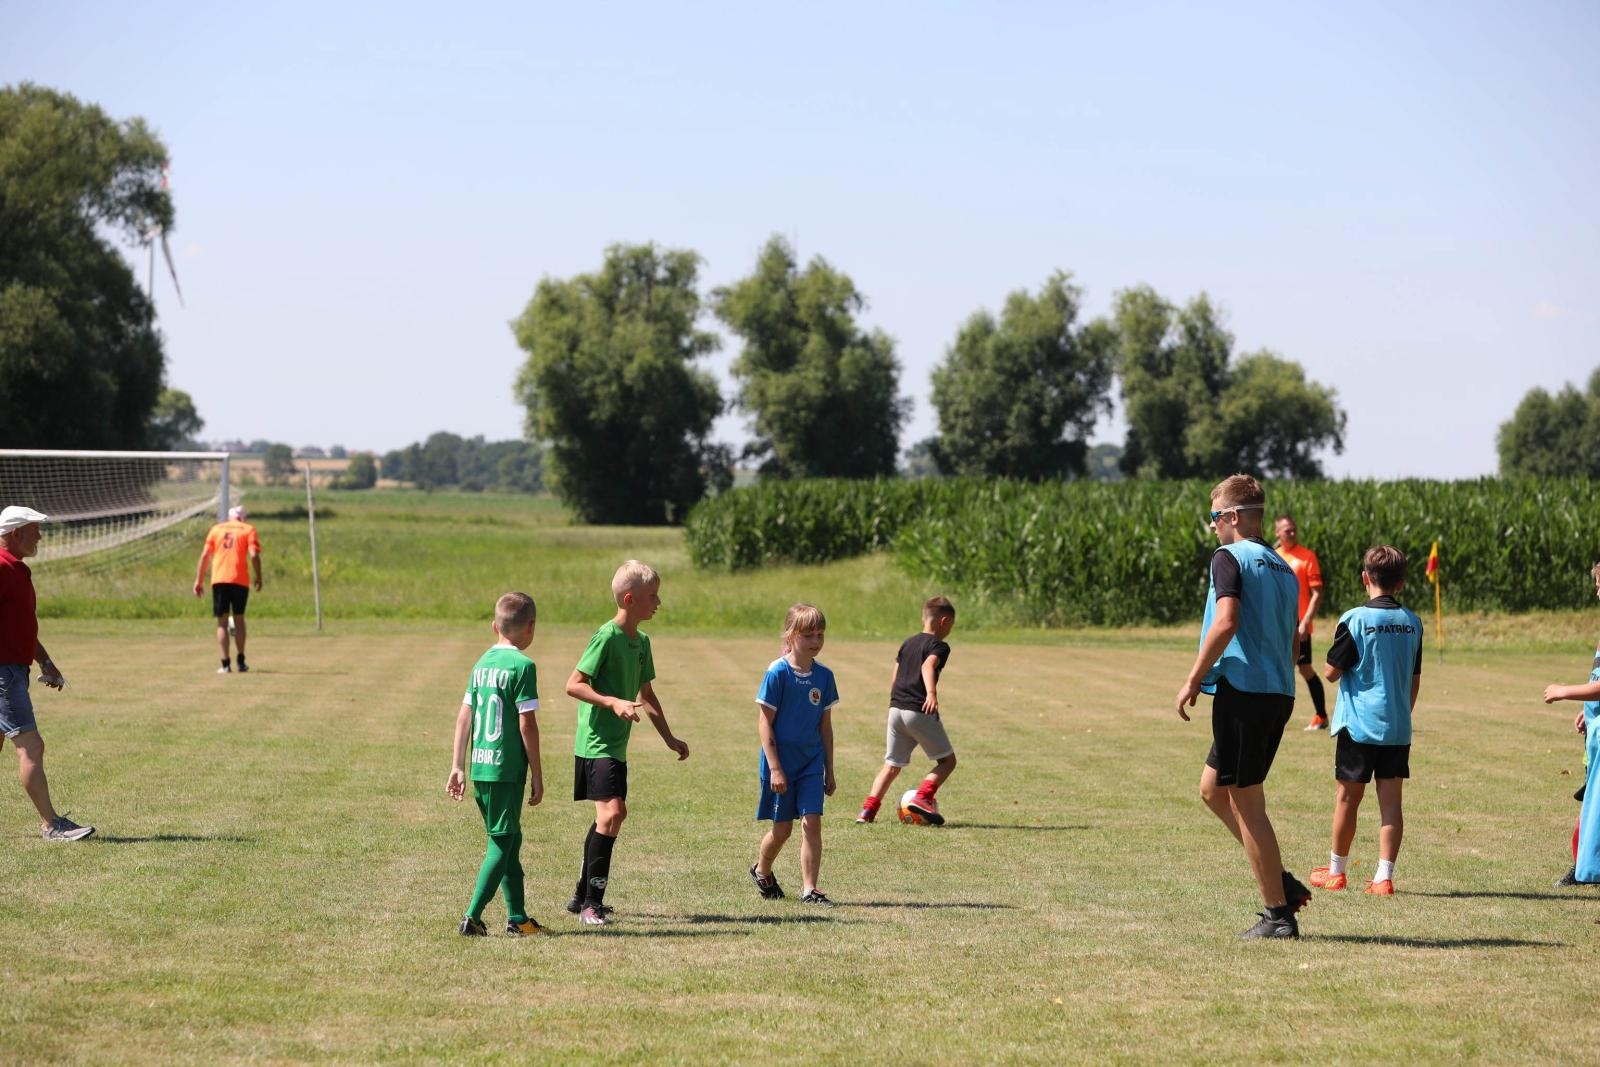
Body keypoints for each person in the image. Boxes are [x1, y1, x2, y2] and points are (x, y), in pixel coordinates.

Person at [1174, 475, 1308, 939]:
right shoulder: (1283, 567)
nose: (1211, 527)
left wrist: (1193, 678)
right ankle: (1281, 881)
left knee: (1248, 803)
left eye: (1214, 518)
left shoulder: (1228, 557)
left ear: (1232, 517)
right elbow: (1294, 643)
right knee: (1213, 790)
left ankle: (1278, 915)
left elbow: (1226, 621)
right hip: (1278, 692)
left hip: (1244, 692)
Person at [564, 560, 689, 926]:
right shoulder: (606, 636)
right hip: (595, 743)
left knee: (608, 816)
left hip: (615, 747)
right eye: (653, 596)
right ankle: (591, 904)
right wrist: (612, 701)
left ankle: (581, 895)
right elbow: (573, 684)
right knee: (614, 814)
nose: (659, 602)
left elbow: (646, 694)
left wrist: (670, 738)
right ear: (631, 599)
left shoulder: (642, 642)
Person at [1308, 546, 1423, 895]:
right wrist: (1402, 712)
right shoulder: (1413, 622)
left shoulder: (1354, 619)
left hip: (1359, 726)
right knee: (1391, 804)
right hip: (1397, 726)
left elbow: (1330, 672)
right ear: (1401, 583)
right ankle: (1384, 877)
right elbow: (1414, 679)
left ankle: (1336, 871)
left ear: (1365, 578)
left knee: (1347, 799)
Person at [446, 591, 546, 936]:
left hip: (481, 768)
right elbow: (526, 724)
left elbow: (464, 717)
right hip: (506, 770)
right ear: (530, 627)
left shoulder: (481, 664)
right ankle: (471, 918)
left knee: (510, 841)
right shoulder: (523, 666)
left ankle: (518, 919)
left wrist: (457, 766)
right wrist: (537, 772)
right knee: (502, 843)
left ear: (494, 627)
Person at [0, 505, 94, 841]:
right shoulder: (1, 567)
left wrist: (45, 662)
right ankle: (52, 824)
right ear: (15, 533)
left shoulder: (17, 569)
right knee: (31, 747)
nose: (40, 535)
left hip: (13, 670)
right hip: (3, 675)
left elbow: (21, 627)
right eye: (35, 529)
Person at [750, 604, 839, 905]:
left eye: (820, 634)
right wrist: (775, 768)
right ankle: (762, 870)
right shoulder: (778, 673)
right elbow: (765, 723)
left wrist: (829, 768)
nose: (816, 641)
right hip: (782, 765)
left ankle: (810, 889)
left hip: (811, 763)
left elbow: (825, 727)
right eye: (808, 635)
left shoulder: (825, 677)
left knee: (811, 823)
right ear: (791, 635)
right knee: (782, 830)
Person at [856, 596, 957, 826]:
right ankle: (923, 797)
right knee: (947, 762)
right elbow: (927, 665)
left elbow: (895, 675)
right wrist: (931, 694)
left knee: (891, 766)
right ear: (944, 621)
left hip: (896, 709)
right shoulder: (939, 646)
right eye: (951, 625)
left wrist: (897, 699)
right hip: (917, 709)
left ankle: (867, 812)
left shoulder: (907, 643)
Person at [1542, 561, 1600, 887]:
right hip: (1595, 731)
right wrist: (1590, 709)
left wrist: (1566, 692)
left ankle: (1585, 868)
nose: (1596, 590)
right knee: (1591, 798)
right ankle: (1584, 866)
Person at [1273, 514, 1330, 731]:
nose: (1292, 533)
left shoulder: (1307, 556)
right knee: (1277, 669)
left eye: (1294, 529)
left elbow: (1317, 593)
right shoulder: (1273, 556)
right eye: (1287, 530)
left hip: (1299, 625)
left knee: (1304, 669)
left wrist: (1305, 622)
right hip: (1277, 625)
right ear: (1278, 532)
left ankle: (1321, 716)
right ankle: (1273, 717)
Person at [193, 504, 262, 674]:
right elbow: (253, 554)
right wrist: (259, 575)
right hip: (240, 579)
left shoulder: (216, 529)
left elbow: (205, 556)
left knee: (222, 622)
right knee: (239, 619)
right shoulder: (248, 529)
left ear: (229, 517)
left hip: (219, 579)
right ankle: (241, 660)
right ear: (243, 518)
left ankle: (225, 664)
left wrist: (199, 580)